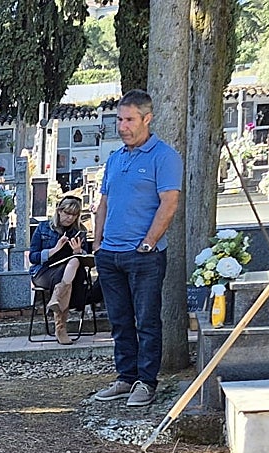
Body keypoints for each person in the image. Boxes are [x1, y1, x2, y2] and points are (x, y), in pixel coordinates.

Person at [92, 89, 183, 408]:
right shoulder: (115, 158)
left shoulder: (164, 156)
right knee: (119, 321)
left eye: (129, 120)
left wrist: (149, 243)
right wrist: (97, 243)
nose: (122, 126)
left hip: (144, 256)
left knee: (146, 321)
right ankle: (125, 378)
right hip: (110, 255)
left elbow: (169, 203)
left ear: (147, 118)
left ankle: (146, 382)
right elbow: (103, 202)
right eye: (119, 119)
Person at [28, 194, 91, 345]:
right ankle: (60, 328)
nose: (70, 218)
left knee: (75, 261)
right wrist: (55, 250)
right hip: (44, 271)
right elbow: (33, 257)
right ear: (59, 211)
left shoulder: (79, 231)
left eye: (74, 215)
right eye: (67, 213)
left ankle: (57, 302)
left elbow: (87, 258)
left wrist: (78, 252)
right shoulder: (43, 228)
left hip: (70, 272)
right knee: (64, 274)